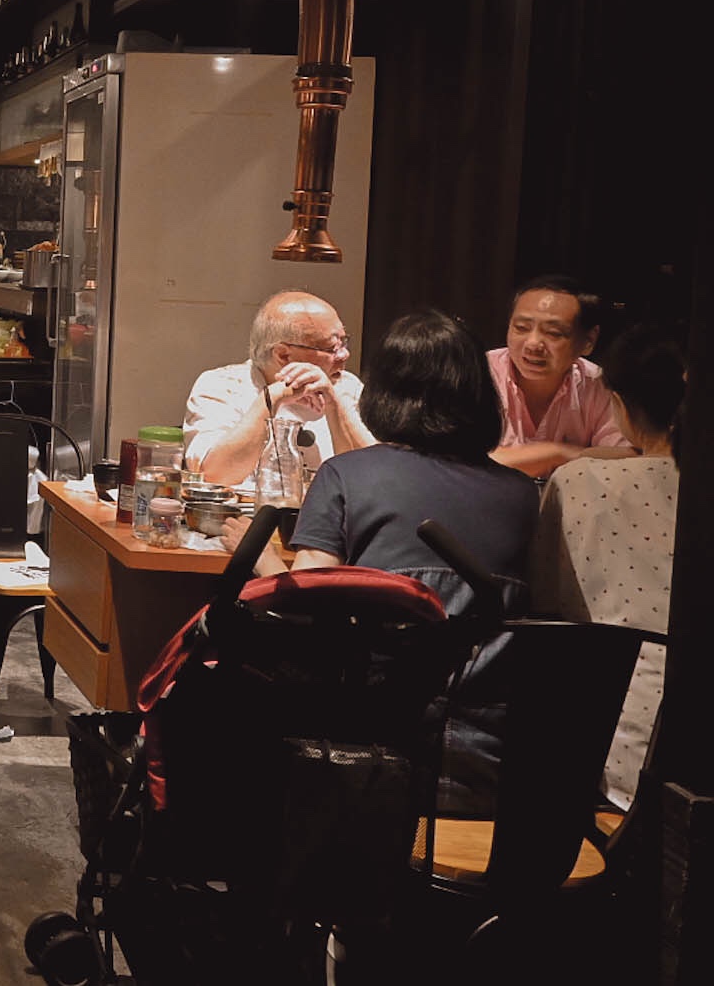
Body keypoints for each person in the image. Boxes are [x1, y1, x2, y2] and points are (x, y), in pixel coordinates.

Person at [265, 310, 542, 809]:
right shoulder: (524, 496)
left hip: (369, 766)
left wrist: (258, 554)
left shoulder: (347, 475)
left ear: (383, 392)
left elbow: (303, 602)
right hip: (494, 771)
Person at [530, 325, 685, 809]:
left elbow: (545, 606)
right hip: (690, 747)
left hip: (605, 737)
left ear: (617, 402)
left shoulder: (579, 481)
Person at [183, 290, 374, 487]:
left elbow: (375, 475)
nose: (344, 355)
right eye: (331, 347)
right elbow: (216, 475)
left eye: (343, 342)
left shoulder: (347, 387)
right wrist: (273, 396)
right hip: (247, 517)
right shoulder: (222, 386)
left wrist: (335, 405)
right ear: (283, 355)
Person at [488, 275, 633, 476]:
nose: (533, 344)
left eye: (553, 333)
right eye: (521, 328)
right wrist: (558, 453)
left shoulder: (599, 384)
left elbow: (627, 458)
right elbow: (458, 461)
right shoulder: (479, 373)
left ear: (588, 341)